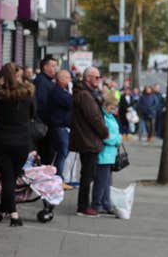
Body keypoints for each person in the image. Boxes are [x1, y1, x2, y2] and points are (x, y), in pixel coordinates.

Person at [0, 63, 36, 227]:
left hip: (2, 139)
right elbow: (33, 114)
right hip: (22, 140)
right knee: (13, 176)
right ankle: (13, 214)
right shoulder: (27, 94)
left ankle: (5, 209)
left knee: (8, 177)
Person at [69, 67, 109, 217]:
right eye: (97, 77)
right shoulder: (85, 95)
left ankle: (83, 205)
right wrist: (105, 133)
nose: (99, 80)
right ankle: (83, 206)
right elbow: (94, 118)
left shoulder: (85, 93)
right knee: (87, 174)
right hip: (88, 139)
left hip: (86, 138)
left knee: (87, 173)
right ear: (88, 78)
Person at [92, 93, 122, 214]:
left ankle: (105, 203)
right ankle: (97, 203)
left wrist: (116, 138)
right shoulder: (103, 118)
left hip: (110, 154)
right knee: (101, 181)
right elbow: (105, 136)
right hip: (104, 153)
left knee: (107, 182)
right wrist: (117, 139)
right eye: (112, 107)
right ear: (106, 105)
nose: (114, 109)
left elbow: (114, 133)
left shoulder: (110, 117)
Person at [48, 70, 73, 188]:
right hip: (59, 126)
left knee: (63, 152)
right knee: (62, 152)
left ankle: (58, 176)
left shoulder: (63, 91)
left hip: (63, 126)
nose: (70, 80)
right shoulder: (57, 91)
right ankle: (58, 178)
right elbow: (70, 102)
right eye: (67, 77)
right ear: (61, 79)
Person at [33, 55, 58, 164]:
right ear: (45, 67)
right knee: (45, 155)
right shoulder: (42, 82)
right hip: (44, 126)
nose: (55, 69)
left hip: (46, 125)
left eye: (55, 66)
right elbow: (41, 104)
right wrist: (47, 122)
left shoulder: (48, 81)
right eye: (52, 66)